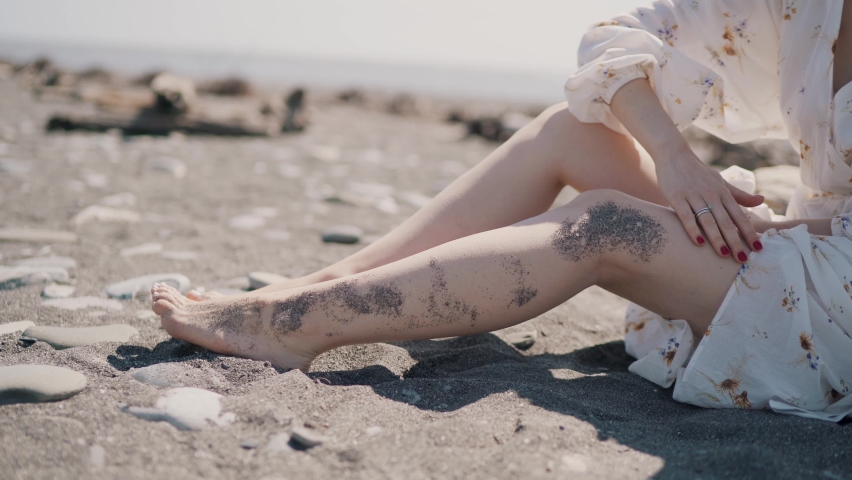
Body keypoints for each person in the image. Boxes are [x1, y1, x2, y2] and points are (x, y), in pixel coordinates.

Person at [151, 0, 852, 421]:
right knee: (572, 130)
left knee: (606, 224)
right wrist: (673, 153)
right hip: (812, 245)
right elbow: (621, 33)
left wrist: (802, 233)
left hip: (841, 297)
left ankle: (295, 326)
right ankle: (314, 285)